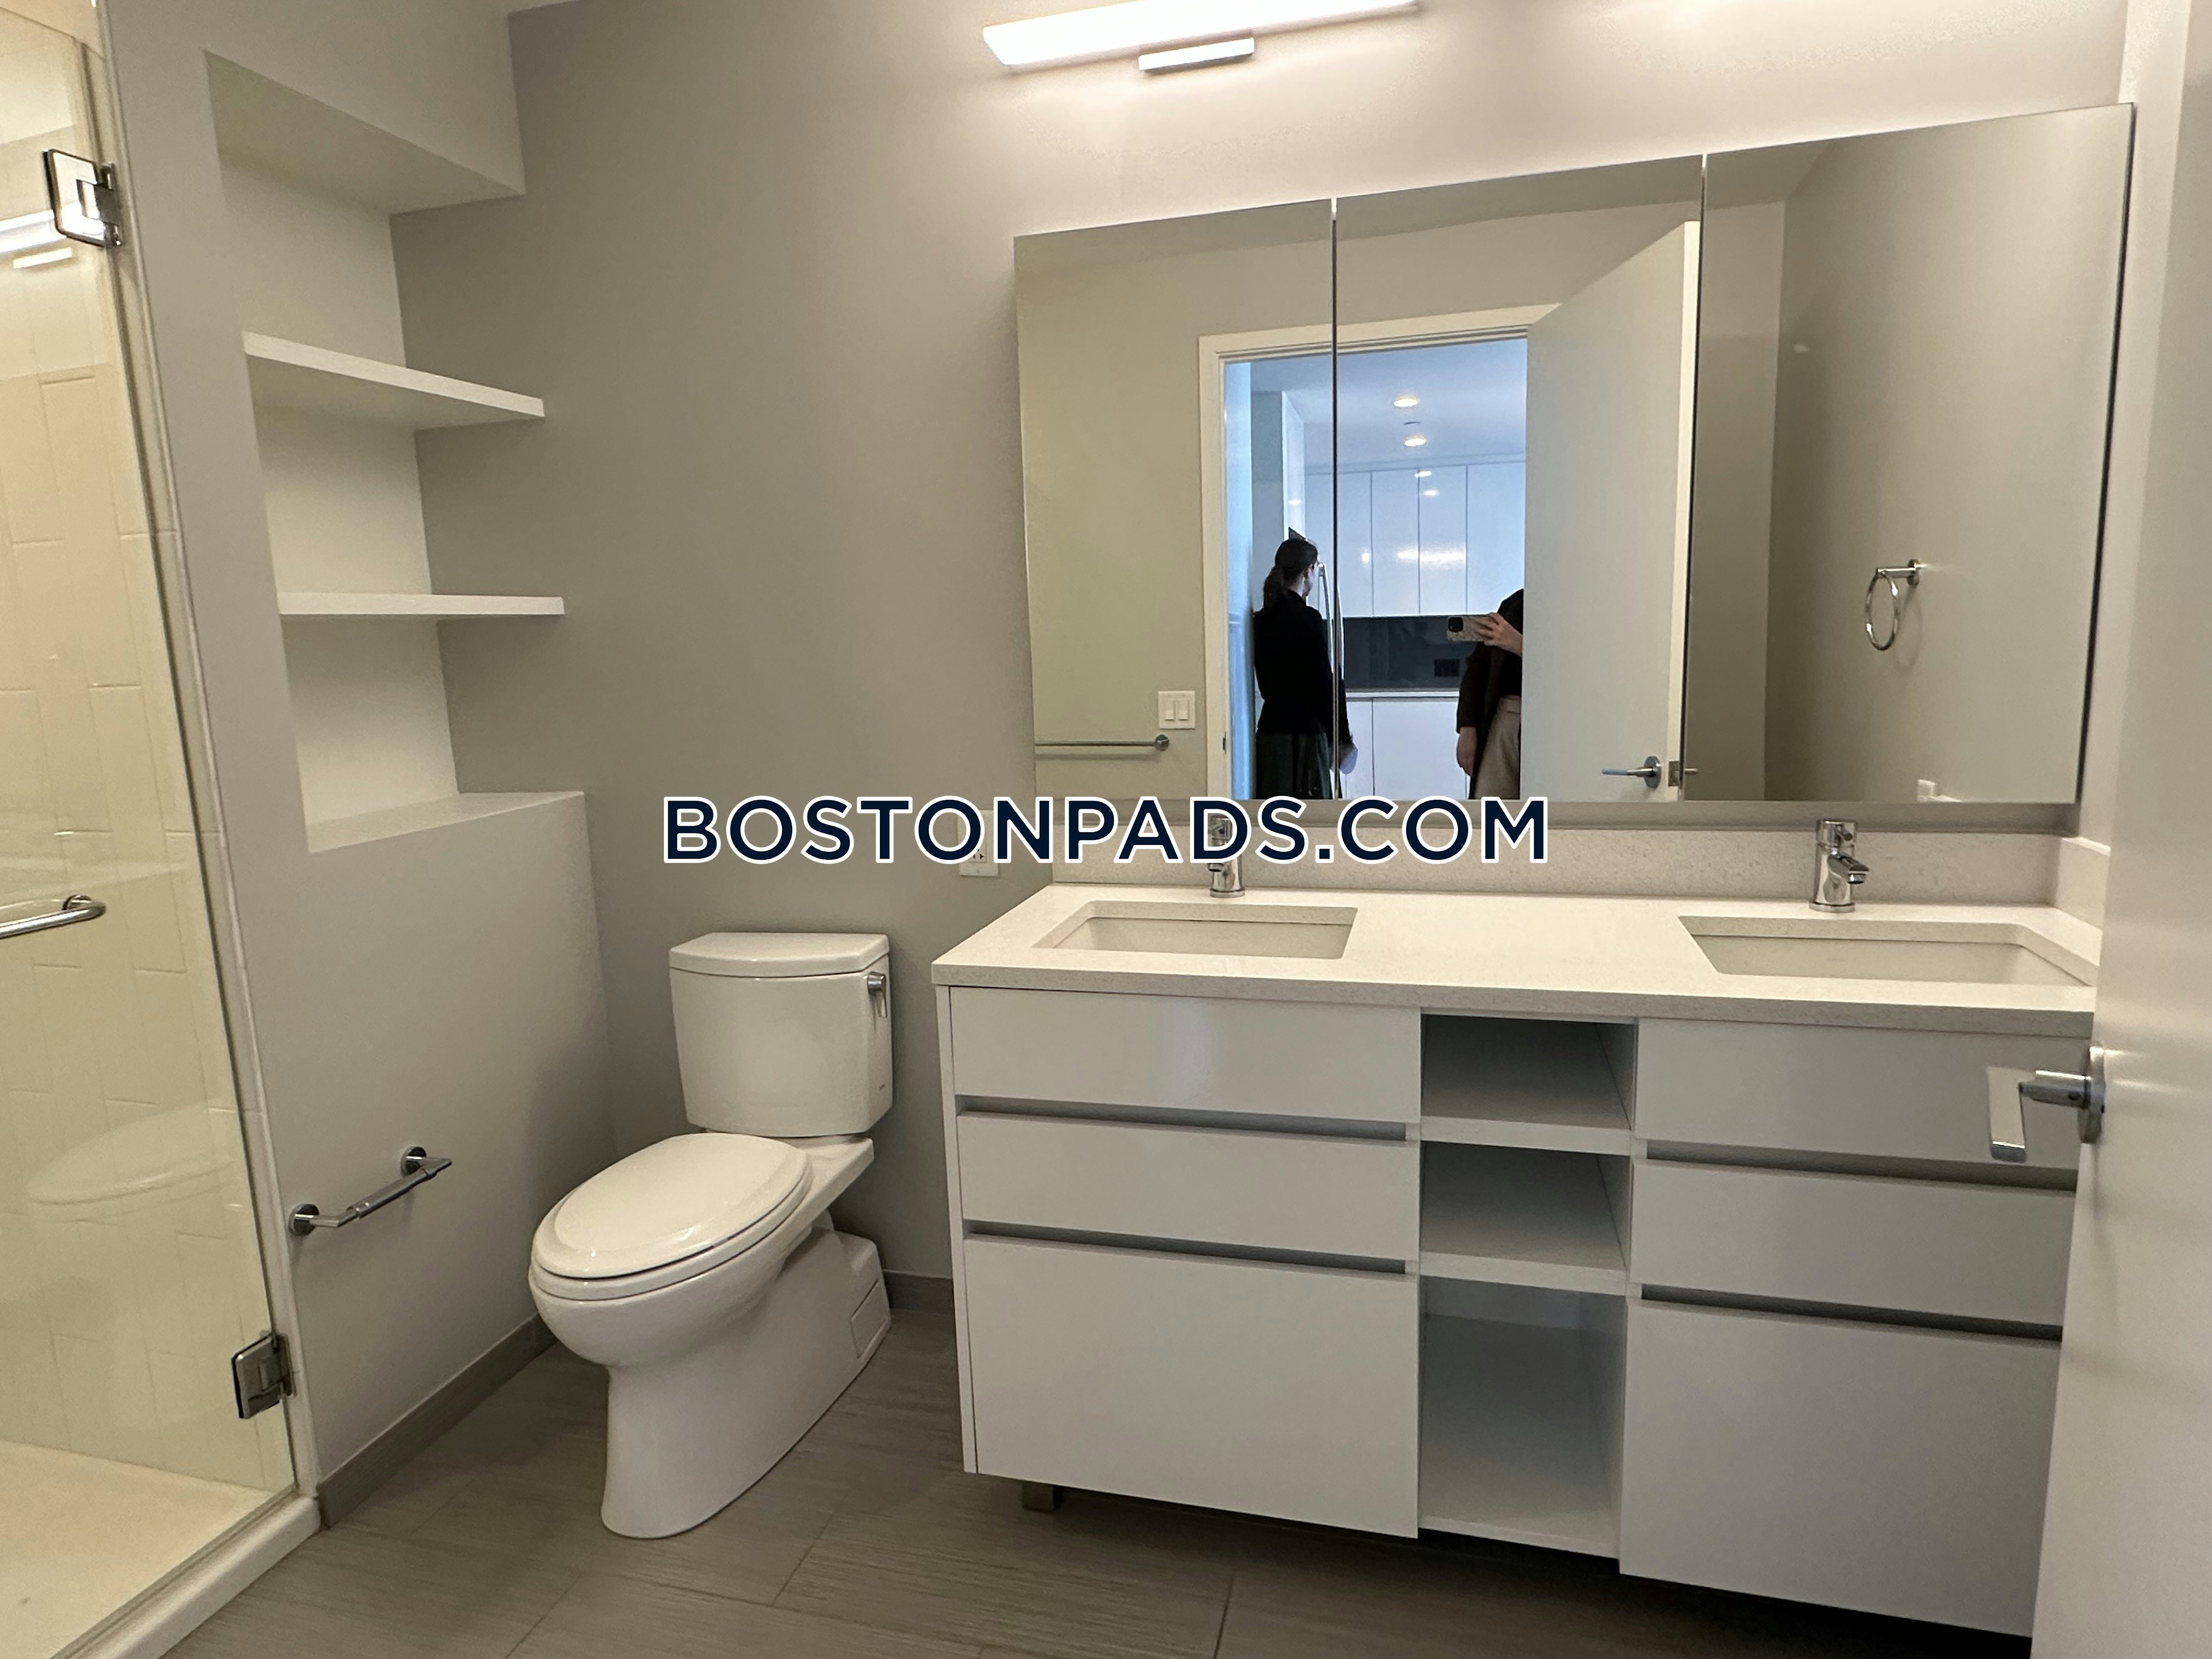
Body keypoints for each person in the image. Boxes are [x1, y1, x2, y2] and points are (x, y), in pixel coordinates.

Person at [1251, 533, 1353, 799]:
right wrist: (1342, 736)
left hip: (1271, 733)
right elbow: (1325, 682)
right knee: (1312, 815)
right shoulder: (1309, 619)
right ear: (1308, 571)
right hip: (1306, 734)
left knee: (1271, 810)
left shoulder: (1261, 620)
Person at [1455, 589, 1523, 799]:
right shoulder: (1516, 603)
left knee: (1553, 809)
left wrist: (1521, 646)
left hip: (1558, 720)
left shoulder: (1578, 608)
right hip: (1508, 713)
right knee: (1491, 805)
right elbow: (1479, 667)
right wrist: (1468, 727)